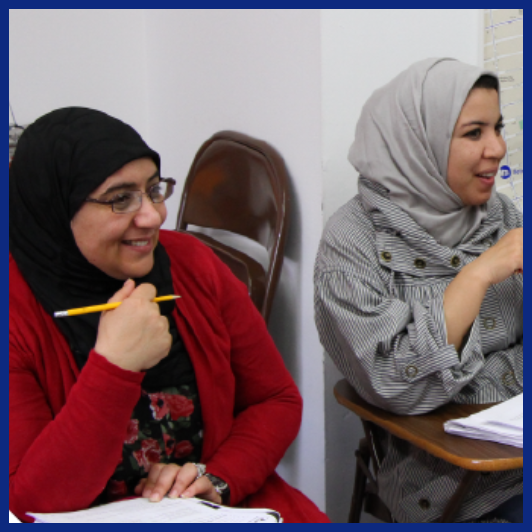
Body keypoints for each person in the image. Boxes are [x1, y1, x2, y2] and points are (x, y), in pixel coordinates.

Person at [9, 107, 329, 523]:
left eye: (155, 189)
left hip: (215, 509)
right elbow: (31, 499)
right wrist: (114, 368)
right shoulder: (16, 310)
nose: (153, 215)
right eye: (121, 199)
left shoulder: (193, 265)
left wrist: (217, 478)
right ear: (53, 208)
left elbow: (275, 399)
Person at [314, 58, 522, 523]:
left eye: (498, 128)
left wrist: (482, 378)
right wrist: (477, 274)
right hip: (450, 484)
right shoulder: (352, 243)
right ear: (416, 143)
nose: (498, 148)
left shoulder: (501, 216)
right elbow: (393, 383)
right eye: (474, 133)